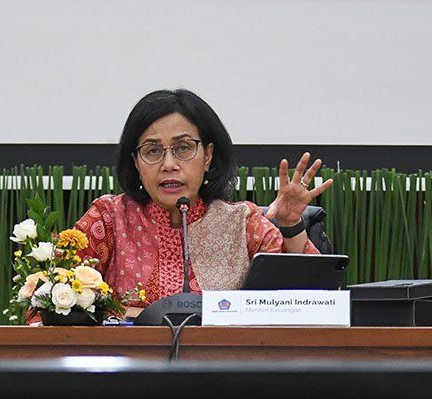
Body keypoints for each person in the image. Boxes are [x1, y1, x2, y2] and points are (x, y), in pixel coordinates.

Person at [74, 89, 331, 308]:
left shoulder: (244, 223)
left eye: (183, 148)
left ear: (207, 156)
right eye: (152, 150)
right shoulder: (109, 219)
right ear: (136, 162)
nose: (169, 164)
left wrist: (290, 226)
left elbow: (308, 305)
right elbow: (50, 302)